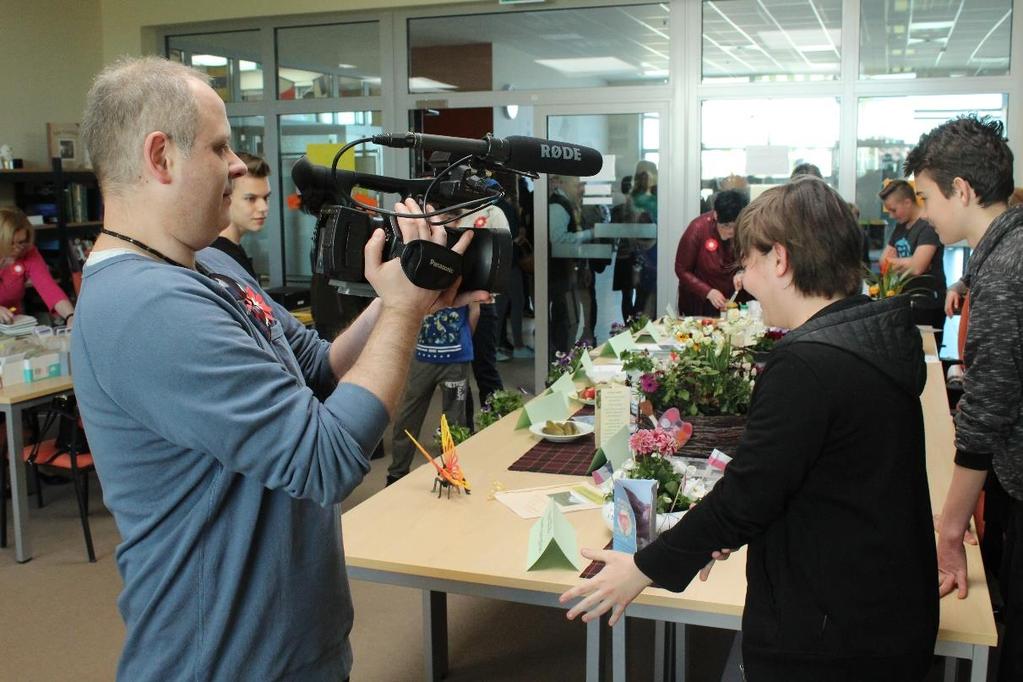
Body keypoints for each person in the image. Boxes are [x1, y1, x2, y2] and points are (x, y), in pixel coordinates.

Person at [73, 56, 487, 681]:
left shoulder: (211, 264)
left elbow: (318, 369)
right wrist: (403, 312)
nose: (238, 165)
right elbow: (326, 461)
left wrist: (401, 299)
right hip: (223, 661)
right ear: (161, 158)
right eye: (220, 148)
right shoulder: (144, 307)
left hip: (295, 641)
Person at [561, 177, 939, 681]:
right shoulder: (872, 336)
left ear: (780, 260)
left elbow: (748, 497)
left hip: (831, 632)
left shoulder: (808, 362)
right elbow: (801, 476)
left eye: (748, 262)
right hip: (883, 607)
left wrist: (643, 568)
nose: (744, 280)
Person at [908, 115, 1022, 682]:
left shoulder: (1004, 268)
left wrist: (949, 530)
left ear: (964, 191)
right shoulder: (1003, 252)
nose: (924, 211)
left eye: (927, 196)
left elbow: (989, 413)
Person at [388, 301, 479, 485]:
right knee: (445, 418)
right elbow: (474, 312)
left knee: (416, 416)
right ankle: (401, 473)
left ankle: (402, 474)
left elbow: (475, 311)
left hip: (445, 359)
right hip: (443, 358)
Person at [878, 179, 946, 346]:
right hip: (906, 301)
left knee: (927, 354)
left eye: (894, 210)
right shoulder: (900, 226)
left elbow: (917, 267)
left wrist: (896, 262)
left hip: (928, 304)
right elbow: (882, 263)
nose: (892, 215)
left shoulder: (928, 226)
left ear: (907, 202)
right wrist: (909, 261)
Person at [674, 189, 748, 316]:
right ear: (715, 215)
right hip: (700, 302)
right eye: (726, 225)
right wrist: (708, 292)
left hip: (733, 301)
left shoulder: (746, 228)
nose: (731, 231)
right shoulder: (698, 228)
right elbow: (682, 269)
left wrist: (742, 272)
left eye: (735, 226)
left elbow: (750, 260)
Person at [0, 207, 76, 326]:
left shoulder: (28, 252)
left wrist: (71, 316)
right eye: (10, 243)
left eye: (21, 242)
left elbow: (49, 288)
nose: (17, 249)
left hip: (13, 324)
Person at [548, 174, 592, 355]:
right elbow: (558, 240)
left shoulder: (567, 204)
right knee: (563, 316)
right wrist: (589, 234)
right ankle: (561, 357)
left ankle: (562, 355)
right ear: (562, 184)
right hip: (559, 272)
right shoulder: (558, 206)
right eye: (577, 184)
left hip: (565, 271)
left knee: (566, 315)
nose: (581, 189)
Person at [209, 151, 271, 279]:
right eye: (250, 199)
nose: (263, 208)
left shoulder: (232, 251)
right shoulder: (219, 258)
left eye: (266, 197)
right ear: (225, 196)